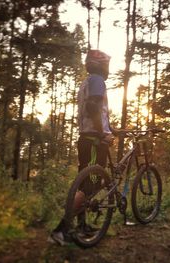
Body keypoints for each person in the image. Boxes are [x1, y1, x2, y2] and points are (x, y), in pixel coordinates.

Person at [49, 49, 113, 245]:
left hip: (87, 138)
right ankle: (61, 231)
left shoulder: (87, 82)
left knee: (86, 184)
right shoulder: (97, 81)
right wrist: (103, 133)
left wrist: (112, 128)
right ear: (102, 66)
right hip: (94, 141)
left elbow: (94, 112)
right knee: (90, 187)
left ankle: (82, 226)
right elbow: (93, 108)